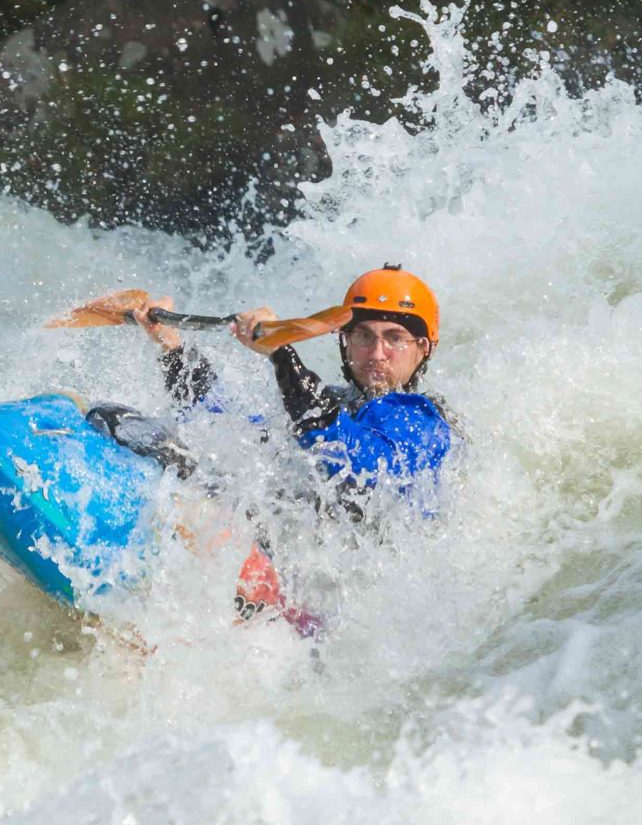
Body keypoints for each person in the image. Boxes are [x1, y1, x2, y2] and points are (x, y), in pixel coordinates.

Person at [128, 263, 454, 635]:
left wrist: (282, 355)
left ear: (422, 349)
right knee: (155, 440)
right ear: (345, 343)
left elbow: (355, 460)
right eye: (363, 336)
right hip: (296, 578)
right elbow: (226, 431)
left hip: (352, 615)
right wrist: (173, 347)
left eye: (394, 338)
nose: (377, 353)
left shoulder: (423, 421)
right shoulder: (336, 402)